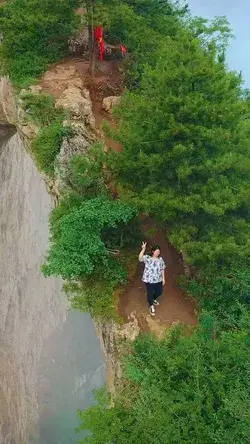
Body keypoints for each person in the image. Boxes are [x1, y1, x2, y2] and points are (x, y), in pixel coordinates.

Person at [139, 241, 166, 316]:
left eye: (159, 252)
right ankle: (151, 306)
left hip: (158, 280)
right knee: (150, 293)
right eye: (157, 251)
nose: (158, 253)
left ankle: (153, 299)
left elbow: (162, 269)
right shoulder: (148, 258)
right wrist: (143, 249)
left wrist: (163, 278)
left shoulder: (160, 259)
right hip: (149, 280)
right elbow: (140, 258)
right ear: (153, 251)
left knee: (159, 292)